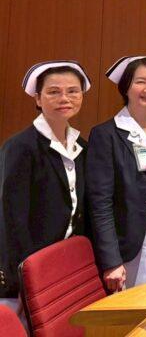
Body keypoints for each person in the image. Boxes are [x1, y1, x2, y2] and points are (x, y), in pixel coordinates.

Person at [0, 61, 91, 321]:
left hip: (62, 264)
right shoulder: (20, 147)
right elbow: (11, 219)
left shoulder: (80, 145)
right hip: (28, 269)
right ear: (38, 99)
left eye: (73, 91)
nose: (65, 98)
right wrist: (23, 276)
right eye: (54, 92)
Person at [86, 55, 146, 292]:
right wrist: (111, 261)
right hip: (126, 242)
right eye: (140, 82)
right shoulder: (106, 134)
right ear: (125, 87)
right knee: (129, 304)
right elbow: (100, 203)